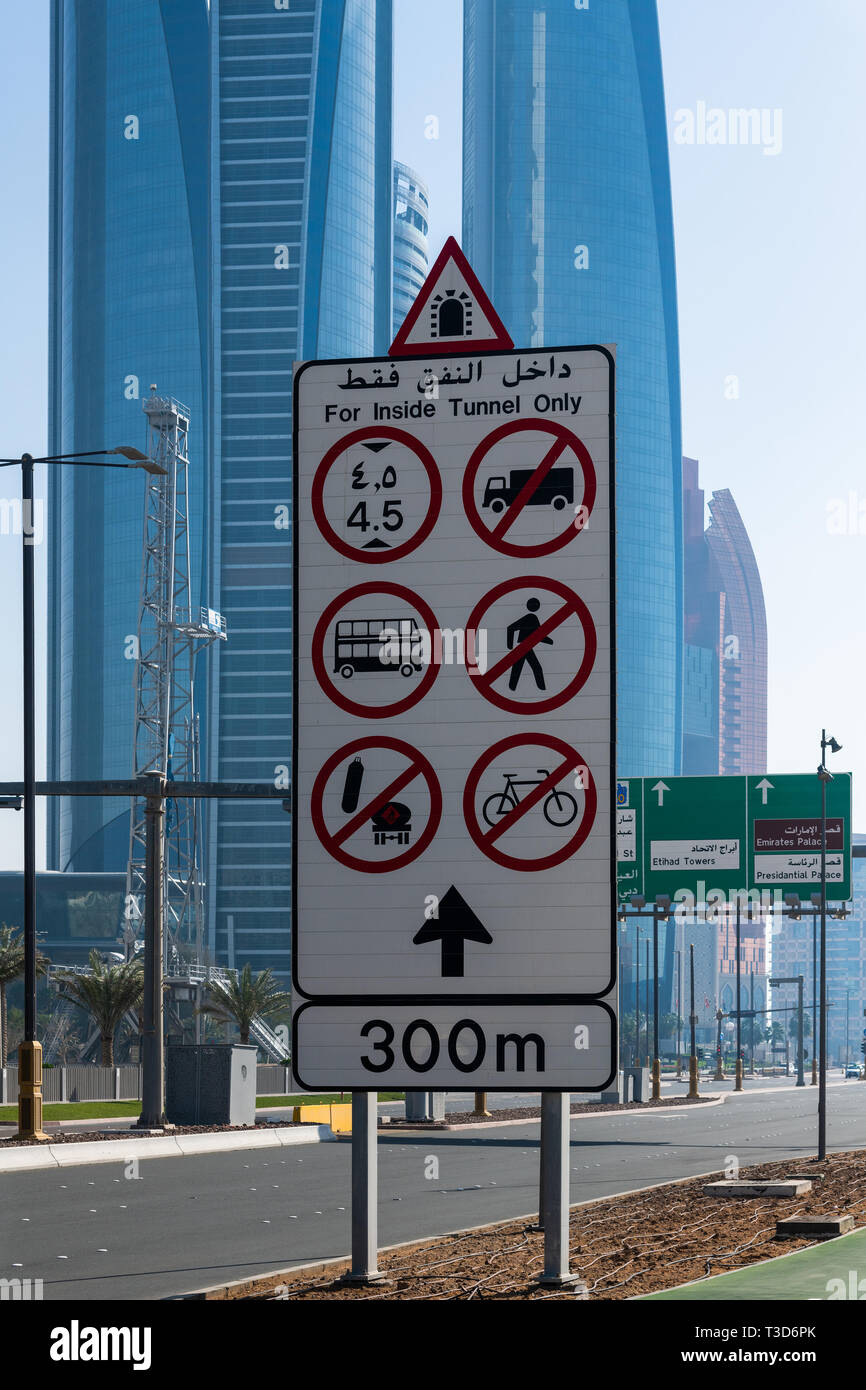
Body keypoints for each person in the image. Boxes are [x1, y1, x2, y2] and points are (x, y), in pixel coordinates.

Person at [506, 597, 552, 691]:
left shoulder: (532, 618)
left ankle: (512, 688)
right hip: (524, 647)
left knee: (518, 669)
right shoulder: (531, 618)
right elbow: (510, 628)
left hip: (525, 647)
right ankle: (542, 690)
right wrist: (509, 646)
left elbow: (539, 635)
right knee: (536, 668)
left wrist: (550, 641)